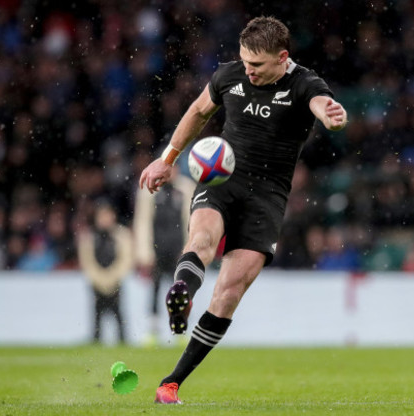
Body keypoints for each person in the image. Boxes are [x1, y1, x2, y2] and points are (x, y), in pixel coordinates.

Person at [138, 16, 347, 404]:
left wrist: (332, 116)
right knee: (201, 238)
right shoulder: (229, 76)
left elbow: (322, 105)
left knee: (229, 293)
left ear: (282, 58)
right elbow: (199, 111)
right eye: (244, 62)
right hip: (221, 181)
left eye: (257, 65)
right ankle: (182, 291)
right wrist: (166, 159)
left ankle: (171, 383)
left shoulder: (304, 83)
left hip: (267, 199)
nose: (248, 71)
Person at [133, 164, 195, 345]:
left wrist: (189, 250)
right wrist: (145, 252)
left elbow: (191, 221)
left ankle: (180, 330)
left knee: (181, 292)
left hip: (179, 251)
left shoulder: (185, 188)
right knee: (155, 290)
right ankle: (153, 331)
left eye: (175, 167)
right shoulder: (150, 190)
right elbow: (143, 221)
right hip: (157, 250)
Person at [77, 201, 133, 344]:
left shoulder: (122, 235)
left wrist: (112, 277)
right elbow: (87, 261)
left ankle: (123, 340)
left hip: (115, 282)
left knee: (119, 312)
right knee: (96, 313)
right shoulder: (89, 237)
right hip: (97, 282)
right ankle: (96, 339)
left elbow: (126, 260)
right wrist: (99, 278)